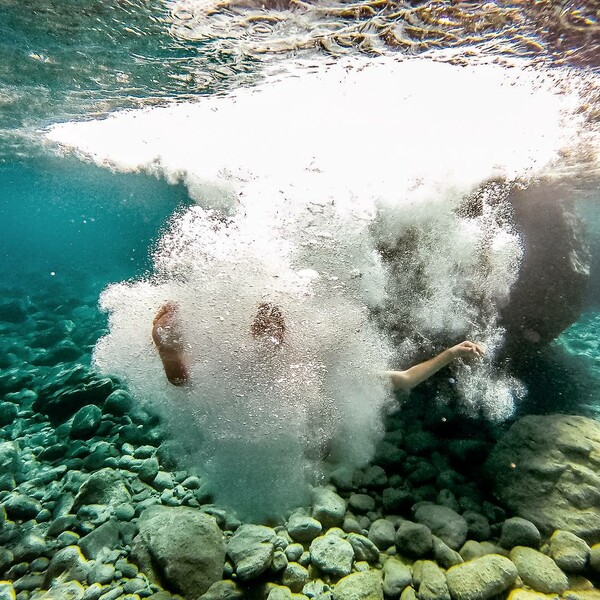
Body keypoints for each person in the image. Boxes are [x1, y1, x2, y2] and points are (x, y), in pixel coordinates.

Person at [151, 302, 484, 388]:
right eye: (264, 330)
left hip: (300, 437)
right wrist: (170, 350)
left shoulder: (322, 365)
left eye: (274, 331)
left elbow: (407, 378)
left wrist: (452, 352)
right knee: (192, 378)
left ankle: (172, 350)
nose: (271, 337)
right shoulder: (242, 361)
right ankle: (172, 348)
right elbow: (184, 381)